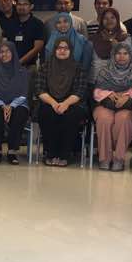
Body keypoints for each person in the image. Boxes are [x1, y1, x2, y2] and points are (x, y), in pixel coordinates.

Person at [33, 37, 88, 166]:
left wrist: (65, 104)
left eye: (65, 48)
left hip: (72, 103)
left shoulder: (78, 68)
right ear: (54, 50)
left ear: (71, 50)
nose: (62, 51)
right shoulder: (45, 67)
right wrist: (54, 103)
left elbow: (80, 91)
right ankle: (50, 153)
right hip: (49, 102)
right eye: (59, 48)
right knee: (46, 113)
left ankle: (65, 154)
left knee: (71, 115)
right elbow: (39, 89)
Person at [91, 42, 132, 171]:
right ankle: (104, 158)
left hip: (127, 106)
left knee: (124, 119)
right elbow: (97, 91)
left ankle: (119, 158)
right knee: (104, 119)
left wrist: (126, 96)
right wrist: (108, 94)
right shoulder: (104, 71)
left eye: (125, 53)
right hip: (105, 104)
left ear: (130, 56)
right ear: (113, 55)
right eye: (118, 53)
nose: (122, 56)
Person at [0, 40, 30, 165]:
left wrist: (11, 106)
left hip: (18, 103)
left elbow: (24, 94)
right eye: (1, 52)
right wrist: (2, 105)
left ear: (13, 53)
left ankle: (12, 150)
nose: (4, 54)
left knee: (20, 113)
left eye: (7, 51)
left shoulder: (22, 71)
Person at [89, 7, 131, 82]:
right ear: (101, 21)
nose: (109, 20)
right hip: (96, 80)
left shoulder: (125, 38)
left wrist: (113, 43)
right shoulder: (93, 39)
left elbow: (127, 61)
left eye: (112, 17)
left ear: (117, 20)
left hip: (118, 80)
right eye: (105, 18)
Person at [7, 0, 46, 66]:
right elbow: (5, 44)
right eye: (19, 4)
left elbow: (37, 47)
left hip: (29, 66)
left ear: (31, 6)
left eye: (25, 4)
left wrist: (20, 62)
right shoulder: (10, 23)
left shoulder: (38, 24)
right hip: (10, 64)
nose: (22, 7)